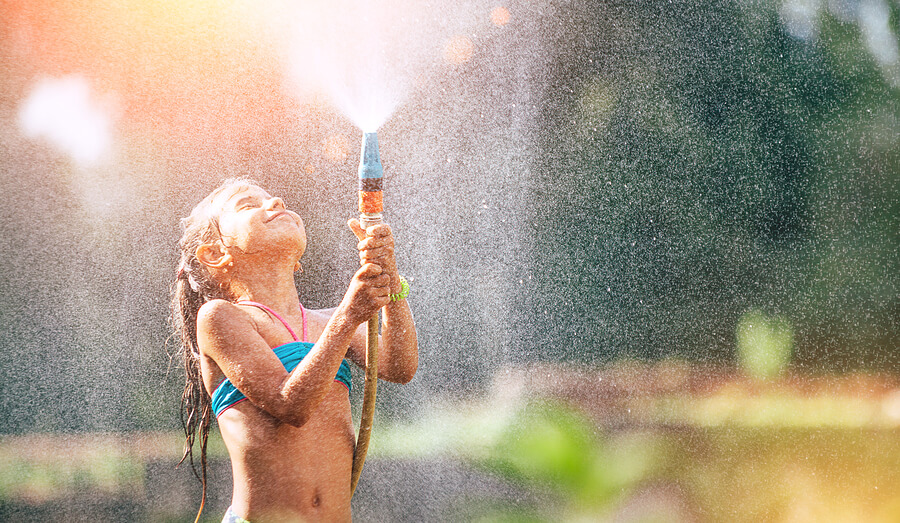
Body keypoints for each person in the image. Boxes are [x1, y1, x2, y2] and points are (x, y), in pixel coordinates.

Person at [171, 178, 418, 523]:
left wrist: (391, 280)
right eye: (247, 204)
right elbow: (291, 405)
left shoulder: (327, 321)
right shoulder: (221, 318)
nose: (275, 201)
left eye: (273, 197)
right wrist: (348, 316)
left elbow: (399, 366)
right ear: (215, 253)